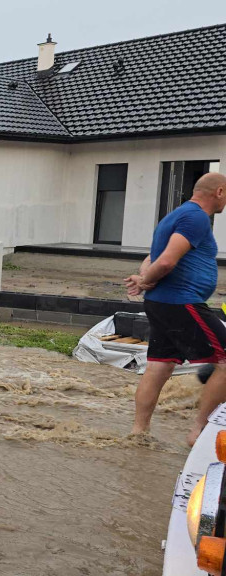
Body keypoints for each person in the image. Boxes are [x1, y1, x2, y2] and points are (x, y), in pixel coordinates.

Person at [125, 172, 226, 445]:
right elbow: (167, 262)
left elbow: (153, 257)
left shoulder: (176, 215)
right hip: (182, 302)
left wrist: (144, 277)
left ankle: (138, 432)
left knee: (159, 366)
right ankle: (199, 432)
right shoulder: (196, 218)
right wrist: (147, 279)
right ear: (219, 192)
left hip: (162, 303)